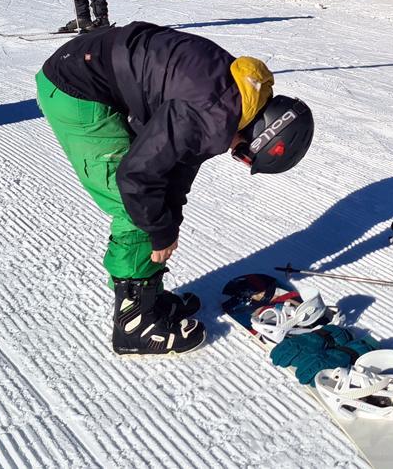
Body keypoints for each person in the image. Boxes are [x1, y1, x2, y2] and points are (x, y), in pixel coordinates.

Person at [35, 22, 315, 355]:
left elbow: (180, 164)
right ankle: (134, 323)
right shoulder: (211, 115)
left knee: (155, 205)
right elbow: (136, 178)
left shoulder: (237, 97)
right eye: (243, 154)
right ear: (264, 133)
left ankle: (146, 296)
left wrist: (170, 224)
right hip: (75, 89)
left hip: (92, 66)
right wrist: (159, 230)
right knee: (135, 208)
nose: (235, 156)